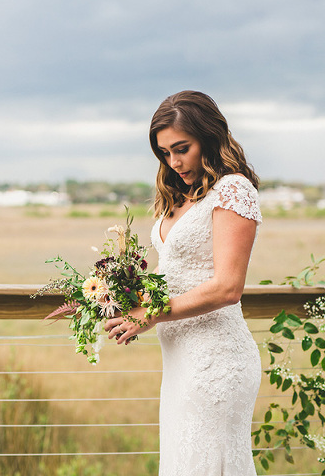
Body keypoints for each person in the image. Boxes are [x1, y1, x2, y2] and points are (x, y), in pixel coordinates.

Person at [105, 90, 262, 475]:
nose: (173, 162)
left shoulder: (233, 189)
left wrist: (153, 314)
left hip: (216, 358)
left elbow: (228, 287)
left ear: (208, 137)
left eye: (182, 148)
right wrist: (123, 293)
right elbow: (177, 271)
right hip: (179, 359)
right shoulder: (182, 194)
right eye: (164, 153)